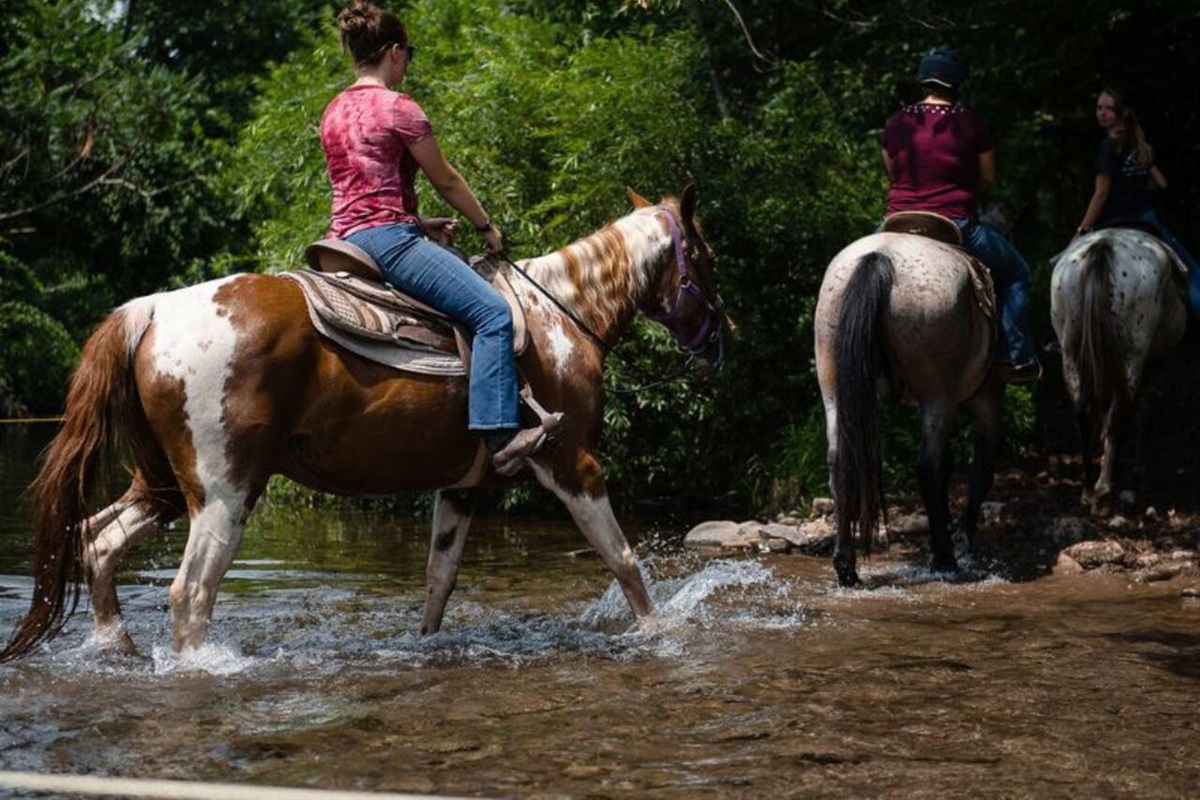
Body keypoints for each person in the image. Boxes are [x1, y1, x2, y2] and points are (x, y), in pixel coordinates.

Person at [321, 0, 560, 475]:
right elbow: (446, 179)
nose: (408, 61)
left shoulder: (333, 110)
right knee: (493, 313)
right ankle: (501, 435)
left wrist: (419, 221)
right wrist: (485, 225)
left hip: (339, 243)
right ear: (393, 52)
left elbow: (363, 187)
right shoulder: (398, 107)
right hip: (386, 242)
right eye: (409, 52)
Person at [881, 45, 1041, 383]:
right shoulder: (971, 124)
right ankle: (1015, 355)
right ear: (956, 84)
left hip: (897, 221)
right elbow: (987, 179)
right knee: (1017, 274)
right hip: (954, 222)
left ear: (923, 80)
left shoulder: (897, 123)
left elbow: (892, 172)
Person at [1074, 87, 1200, 316]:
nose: (1102, 113)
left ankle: (1066, 331)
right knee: (1189, 270)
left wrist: (1082, 230)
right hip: (1144, 220)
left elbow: (1101, 194)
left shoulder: (1107, 147)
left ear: (1120, 113)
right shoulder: (1140, 145)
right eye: (1099, 108)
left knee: (1072, 273)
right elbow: (1161, 183)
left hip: (1113, 221)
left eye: (1109, 109)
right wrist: (1137, 183)